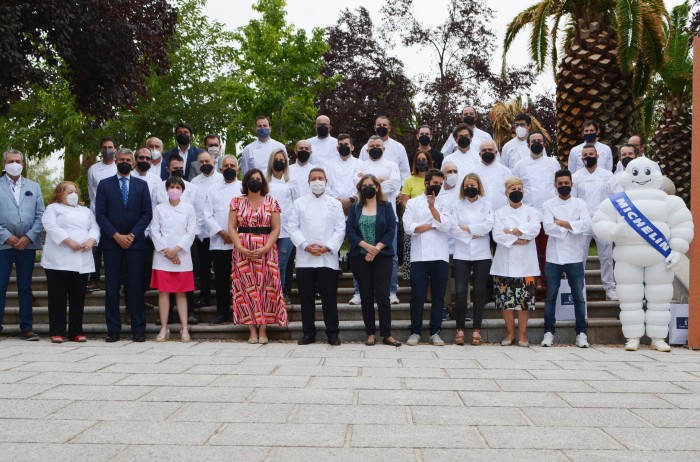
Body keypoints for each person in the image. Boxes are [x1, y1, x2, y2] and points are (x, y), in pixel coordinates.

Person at [592, 157, 693, 352]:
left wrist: (677, 249)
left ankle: (658, 338)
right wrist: (615, 231)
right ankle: (632, 337)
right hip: (626, 258)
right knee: (629, 299)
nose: (641, 177)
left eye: (646, 172)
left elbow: (682, 224)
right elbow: (598, 222)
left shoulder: (670, 201)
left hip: (660, 258)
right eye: (636, 172)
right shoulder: (616, 202)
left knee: (660, 299)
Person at [95, 149, 153, 342]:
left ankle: (138, 329)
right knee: (112, 288)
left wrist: (132, 235)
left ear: (134, 162)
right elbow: (100, 214)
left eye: (128, 160)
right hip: (112, 245)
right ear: (116, 161)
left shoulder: (142, 185)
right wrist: (116, 235)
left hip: (135, 245)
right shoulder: (104, 185)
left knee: (136, 288)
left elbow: (147, 214)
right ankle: (113, 330)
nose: (125, 162)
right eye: (121, 160)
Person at [228, 169, 287, 343]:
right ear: (246, 182)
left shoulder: (271, 202)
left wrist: (266, 248)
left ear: (263, 182)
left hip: (266, 249)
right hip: (242, 249)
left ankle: (263, 329)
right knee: (246, 289)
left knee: (266, 287)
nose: (255, 181)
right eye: (252, 179)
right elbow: (232, 227)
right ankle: (251, 329)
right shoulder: (236, 202)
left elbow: (276, 228)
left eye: (258, 179)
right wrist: (239, 247)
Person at [290, 168, 346, 345]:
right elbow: (293, 227)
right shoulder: (299, 203)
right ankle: (308, 333)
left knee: (329, 298)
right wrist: (305, 246)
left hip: (327, 258)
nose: (317, 181)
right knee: (306, 299)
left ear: (326, 181)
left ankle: (333, 333)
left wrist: (327, 247)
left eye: (320, 178)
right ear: (308, 182)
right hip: (305, 258)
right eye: (313, 178)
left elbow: (340, 229)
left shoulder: (335, 204)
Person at [41, 181, 99, 343]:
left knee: (77, 297)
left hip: (81, 258)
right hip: (58, 260)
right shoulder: (52, 208)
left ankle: (76, 331)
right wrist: (69, 241)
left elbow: (94, 227)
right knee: (57, 297)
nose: (73, 195)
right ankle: (57, 331)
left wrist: (91, 240)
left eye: (75, 191)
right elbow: (51, 227)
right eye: (68, 192)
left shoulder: (86, 210)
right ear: (60, 194)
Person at [347, 174, 401, 346]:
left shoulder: (387, 206)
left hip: (382, 256)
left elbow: (391, 229)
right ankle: (370, 333)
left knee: (383, 295)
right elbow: (351, 232)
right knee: (366, 296)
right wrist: (366, 247)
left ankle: (387, 334)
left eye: (371, 185)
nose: (367, 188)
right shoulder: (355, 208)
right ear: (360, 189)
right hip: (360, 258)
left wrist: (376, 248)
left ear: (377, 187)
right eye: (364, 186)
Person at [541, 169, 591, 348]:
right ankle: (548, 332)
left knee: (578, 296)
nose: (563, 186)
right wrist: (572, 226)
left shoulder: (581, 204)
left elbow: (586, 225)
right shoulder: (548, 204)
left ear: (572, 184)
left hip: (575, 256)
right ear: (555, 185)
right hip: (554, 257)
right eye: (560, 183)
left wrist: (561, 222)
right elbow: (548, 227)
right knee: (550, 297)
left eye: (566, 183)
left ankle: (582, 333)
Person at [403, 169, 452, 346]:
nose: (437, 186)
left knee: (438, 296)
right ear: (426, 183)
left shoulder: (445, 203)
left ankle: (435, 332)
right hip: (419, 256)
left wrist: (432, 208)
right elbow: (409, 227)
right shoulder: (413, 203)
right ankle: (415, 331)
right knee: (417, 295)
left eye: (440, 184)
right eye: (434, 183)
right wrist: (433, 225)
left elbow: (446, 226)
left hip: (440, 255)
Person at [491, 177, 542, 347]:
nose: (516, 191)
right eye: (512, 189)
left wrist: (512, 231)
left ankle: (522, 335)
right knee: (506, 301)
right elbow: (497, 235)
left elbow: (534, 230)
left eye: (519, 188)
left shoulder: (532, 212)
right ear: (506, 193)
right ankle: (510, 333)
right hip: (503, 264)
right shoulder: (499, 213)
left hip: (526, 264)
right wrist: (519, 238)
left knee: (524, 302)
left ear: (524, 191)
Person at [0, 149, 44, 340]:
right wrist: (6, 236)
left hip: (28, 245)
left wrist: (29, 236)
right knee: (0, 286)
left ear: (23, 164)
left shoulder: (33, 186)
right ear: (4, 164)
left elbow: (40, 214)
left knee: (25, 287)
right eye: (11, 161)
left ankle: (26, 328)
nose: (15, 164)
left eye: (18, 161)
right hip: (3, 245)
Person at [353, 136, 401, 304]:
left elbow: (395, 184)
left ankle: (392, 290)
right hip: (364, 216)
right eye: (371, 145)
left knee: (391, 256)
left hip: (387, 217)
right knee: (359, 255)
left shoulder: (392, 165)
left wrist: (371, 183)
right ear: (367, 150)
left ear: (384, 148)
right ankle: (358, 292)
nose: (375, 148)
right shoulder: (360, 165)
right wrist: (379, 181)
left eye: (378, 145)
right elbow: (357, 184)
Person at [512, 131, 561, 293]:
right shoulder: (520, 165)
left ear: (544, 144)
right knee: (530, 254)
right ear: (528, 145)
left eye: (539, 140)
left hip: (549, 216)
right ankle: (530, 288)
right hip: (528, 217)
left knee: (547, 254)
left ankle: (547, 288)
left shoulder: (553, 163)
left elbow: (557, 188)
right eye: (533, 141)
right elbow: (515, 189)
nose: (536, 143)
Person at [150, 176, 197, 342]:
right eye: (171, 187)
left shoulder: (189, 209)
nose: (174, 190)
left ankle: (184, 328)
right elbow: (154, 231)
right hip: (163, 258)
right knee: (163, 293)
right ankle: (164, 328)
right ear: (166, 190)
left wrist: (176, 250)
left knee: (181, 294)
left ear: (182, 190)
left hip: (182, 257)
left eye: (177, 187)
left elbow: (190, 232)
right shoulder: (159, 209)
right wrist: (166, 251)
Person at [450, 173, 494, 346]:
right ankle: (460, 329)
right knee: (460, 292)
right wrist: (473, 233)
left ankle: (477, 329)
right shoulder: (457, 205)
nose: (470, 188)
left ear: (479, 186)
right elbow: (453, 228)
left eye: (473, 185)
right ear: (463, 188)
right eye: (467, 185)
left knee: (479, 292)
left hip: (482, 253)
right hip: (461, 252)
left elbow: (488, 225)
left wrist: (468, 228)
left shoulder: (487, 205)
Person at [572, 143, 616, 300]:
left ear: (597, 156)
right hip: (584, 222)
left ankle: (609, 288)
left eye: (591, 154)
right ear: (581, 158)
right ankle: (579, 289)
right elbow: (574, 201)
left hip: (604, 221)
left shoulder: (608, 175)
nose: (587, 157)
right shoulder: (576, 177)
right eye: (585, 155)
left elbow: (615, 197)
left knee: (606, 256)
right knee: (580, 256)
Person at [203, 155, 243, 325]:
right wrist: (221, 232)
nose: (229, 168)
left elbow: (247, 213)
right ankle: (222, 312)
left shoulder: (244, 188)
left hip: (240, 242)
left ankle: (241, 312)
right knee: (221, 279)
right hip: (219, 242)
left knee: (241, 279)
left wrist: (234, 234)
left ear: (238, 169)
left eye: (232, 165)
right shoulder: (212, 189)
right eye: (226, 165)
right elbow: (207, 214)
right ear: (220, 169)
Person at [266, 148, 300, 301]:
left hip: (287, 229)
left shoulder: (291, 180)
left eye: (281, 159)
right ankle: (269, 293)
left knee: (281, 262)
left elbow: (298, 203)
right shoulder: (264, 181)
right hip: (267, 228)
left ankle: (281, 295)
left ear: (286, 162)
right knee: (268, 263)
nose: (278, 162)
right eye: (276, 159)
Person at [191, 150, 223, 308]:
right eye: (201, 162)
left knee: (220, 267)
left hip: (220, 232)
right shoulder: (194, 182)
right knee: (203, 266)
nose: (204, 164)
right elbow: (194, 207)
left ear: (214, 162)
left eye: (207, 161)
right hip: (201, 232)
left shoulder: (222, 179)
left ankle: (223, 296)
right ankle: (204, 296)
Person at [86, 137, 117, 291]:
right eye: (104, 147)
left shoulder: (119, 167)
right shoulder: (93, 169)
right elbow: (92, 193)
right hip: (98, 212)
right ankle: (94, 278)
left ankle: (117, 280)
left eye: (110, 147)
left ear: (115, 149)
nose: (107, 150)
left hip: (116, 214)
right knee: (96, 247)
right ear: (100, 149)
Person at [399, 150, 432, 280]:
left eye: (424, 159)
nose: (421, 162)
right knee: (413, 258)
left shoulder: (433, 179)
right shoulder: (409, 180)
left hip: (430, 222)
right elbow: (404, 199)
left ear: (429, 162)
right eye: (419, 160)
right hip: (414, 222)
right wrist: (415, 212)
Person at [359, 116, 411, 183]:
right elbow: (360, 169)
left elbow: (405, 171)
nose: (381, 126)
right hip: (370, 189)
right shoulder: (366, 148)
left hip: (393, 191)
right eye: (379, 125)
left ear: (389, 128)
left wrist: (403, 189)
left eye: (384, 125)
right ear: (375, 128)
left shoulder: (399, 147)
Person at [325, 134, 361, 216]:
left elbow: (363, 186)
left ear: (352, 147)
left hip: (354, 207)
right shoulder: (328, 164)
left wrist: (351, 200)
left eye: (346, 144)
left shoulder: (361, 164)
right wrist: (336, 200)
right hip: (333, 206)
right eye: (340, 144)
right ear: (337, 148)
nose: (343, 146)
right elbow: (325, 185)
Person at [474, 140, 513, 211]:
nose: (487, 152)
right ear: (480, 154)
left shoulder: (506, 172)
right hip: (479, 213)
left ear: (496, 153)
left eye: (490, 150)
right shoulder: (473, 173)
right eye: (484, 150)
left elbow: (511, 193)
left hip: (502, 212)